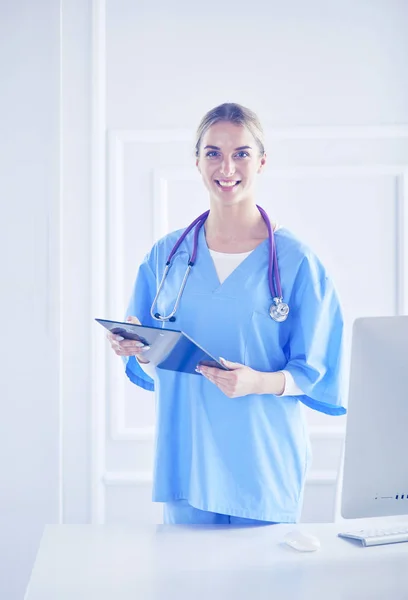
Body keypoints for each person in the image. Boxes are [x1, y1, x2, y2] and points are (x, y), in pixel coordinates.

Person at [107, 102, 346, 525]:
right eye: (213, 153)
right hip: (187, 457)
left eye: (241, 153)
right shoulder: (166, 256)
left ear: (262, 161)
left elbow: (318, 369)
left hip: (261, 461)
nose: (227, 166)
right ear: (197, 162)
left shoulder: (296, 262)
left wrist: (257, 382)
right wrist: (134, 348)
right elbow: (149, 352)